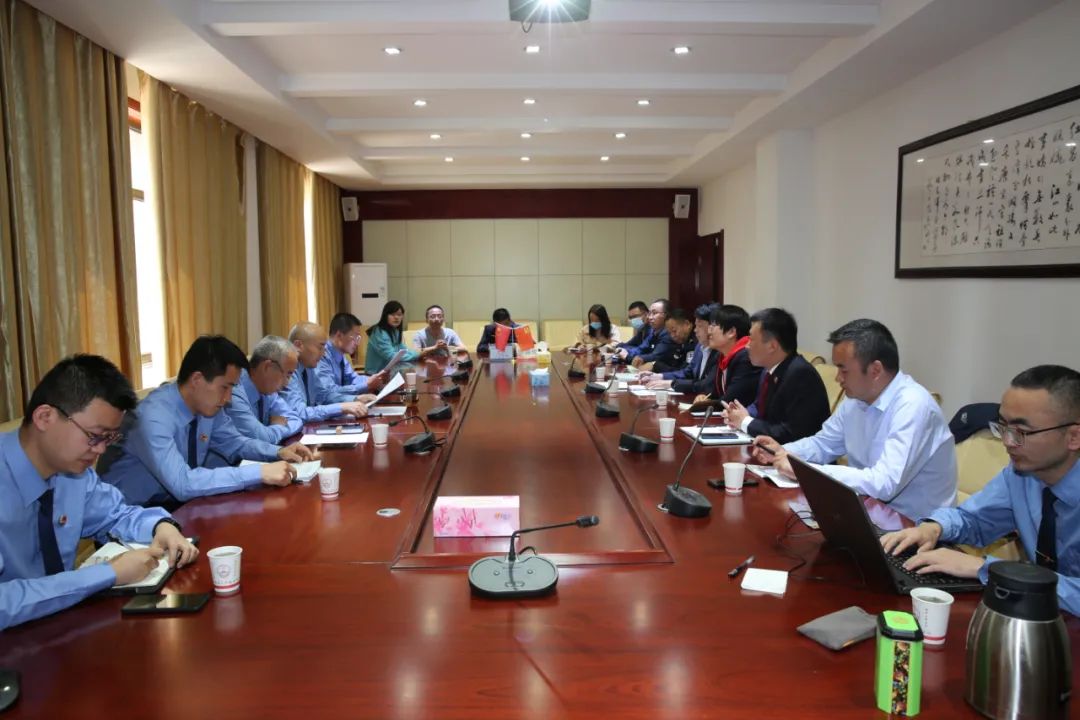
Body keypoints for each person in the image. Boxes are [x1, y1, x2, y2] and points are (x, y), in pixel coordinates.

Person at [0, 355, 198, 630]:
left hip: (63, 629)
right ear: (45, 417)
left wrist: (161, 526)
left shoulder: (73, 474)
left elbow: (117, 515)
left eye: (109, 438)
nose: (101, 450)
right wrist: (108, 574)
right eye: (95, 435)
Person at [881, 365, 1080, 615]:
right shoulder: (1021, 476)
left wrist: (984, 568)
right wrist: (933, 528)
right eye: (1003, 426)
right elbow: (973, 520)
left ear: (1074, 437)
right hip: (1037, 617)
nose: (1007, 442)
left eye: (1021, 432)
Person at [753, 318, 956, 522]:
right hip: (867, 512)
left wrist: (804, 471)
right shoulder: (856, 399)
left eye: (844, 370)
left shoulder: (913, 406)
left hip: (915, 527)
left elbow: (884, 483)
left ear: (875, 370)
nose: (838, 378)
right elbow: (824, 443)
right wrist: (783, 451)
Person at [102, 336, 316, 508]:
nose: (229, 398)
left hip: (183, 506)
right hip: (131, 518)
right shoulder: (153, 418)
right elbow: (183, 483)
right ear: (197, 379)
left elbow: (236, 443)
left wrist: (278, 452)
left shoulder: (208, 407)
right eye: (225, 387)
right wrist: (259, 472)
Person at [722, 307, 830, 444]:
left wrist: (745, 422)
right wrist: (739, 414)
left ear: (772, 346)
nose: (747, 346)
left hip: (797, 455)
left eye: (751, 340)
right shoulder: (768, 369)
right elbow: (759, 406)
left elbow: (793, 433)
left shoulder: (800, 374)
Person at [281, 322, 373, 423]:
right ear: (298, 345)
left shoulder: (309, 367)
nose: (324, 353)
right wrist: (340, 407)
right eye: (320, 348)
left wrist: (355, 399)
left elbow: (324, 395)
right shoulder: (286, 372)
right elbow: (300, 413)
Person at [224, 335, 303, 445]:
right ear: (267, 367)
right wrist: (278, 426)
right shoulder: (234, 391)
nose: (286, 384)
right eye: (287, 375)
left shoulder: (268, 390)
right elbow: (261, 438)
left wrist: (270, 430)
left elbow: (295, 419)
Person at [690, 304, 760, 406]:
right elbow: (711, 389)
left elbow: (731, 401)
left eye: (713, 325)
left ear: (731, 332)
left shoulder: (746, 357)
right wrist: (703, 396)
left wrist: (704, 405)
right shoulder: (721, 355)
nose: (709, 331)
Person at [642, 303, 719, 396]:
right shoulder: (700, 347)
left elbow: (706, 385)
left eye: (700, 326)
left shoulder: (718, 351)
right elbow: (687, 372)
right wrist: (659, 376)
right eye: (696, 325)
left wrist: (671, 383)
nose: (695, 330)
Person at [317, 312, 388, 397]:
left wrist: (375, 379)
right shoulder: (321, 356)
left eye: (358, 338)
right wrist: (366, 385)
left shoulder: (341, 355)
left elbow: (353, 378)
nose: (357, 343)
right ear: (339, 335)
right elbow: (329, 392)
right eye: (355, 337)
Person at [366, 301, 442, 373]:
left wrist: (419, 353)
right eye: (392, 314)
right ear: (385, 315)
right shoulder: (379, 332)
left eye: (399, 315)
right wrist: (417, 355)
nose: (396, 317)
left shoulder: (394, 330)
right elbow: (391, 356)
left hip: (391, 372)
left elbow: (403, 350)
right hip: (376, 374)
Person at [615, 298, 674, 369]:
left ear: (666, 315)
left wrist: (627, 356)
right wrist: (621, 349)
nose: (650, 317)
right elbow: (641, 349)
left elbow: (654, 356)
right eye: (650, 313)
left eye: (654, 313)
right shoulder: (653, 332)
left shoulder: (668, 334)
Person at [649, 308, 695, 374]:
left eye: (674, 331)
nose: (672, 336)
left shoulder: (694, 343)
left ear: (687, 324)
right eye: (669, 333)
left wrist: (656, 365)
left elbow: (684, 373)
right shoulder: (681, 342)